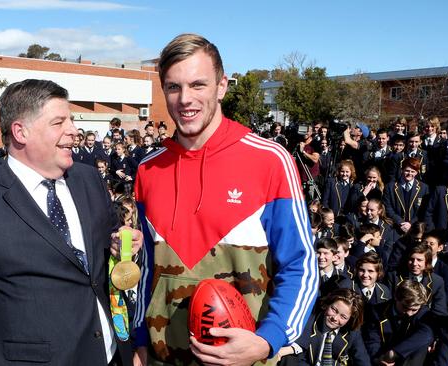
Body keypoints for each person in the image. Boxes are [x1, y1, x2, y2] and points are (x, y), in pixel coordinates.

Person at [132, 34, 317, 365]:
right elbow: (148, 268)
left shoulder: (271, 160)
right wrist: (141, 340)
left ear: (222, 87)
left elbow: (301, 265)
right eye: (174, 87)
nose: (185, 99)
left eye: (198, 85)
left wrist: (268, 340)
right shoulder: (148, 168)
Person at [0, 79, 142, 366]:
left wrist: (121, 241)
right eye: (59, 122)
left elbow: (104, 248)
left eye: (70, 120)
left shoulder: (88, 180)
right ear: (21, 132)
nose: (73, 130)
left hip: (110, 355)